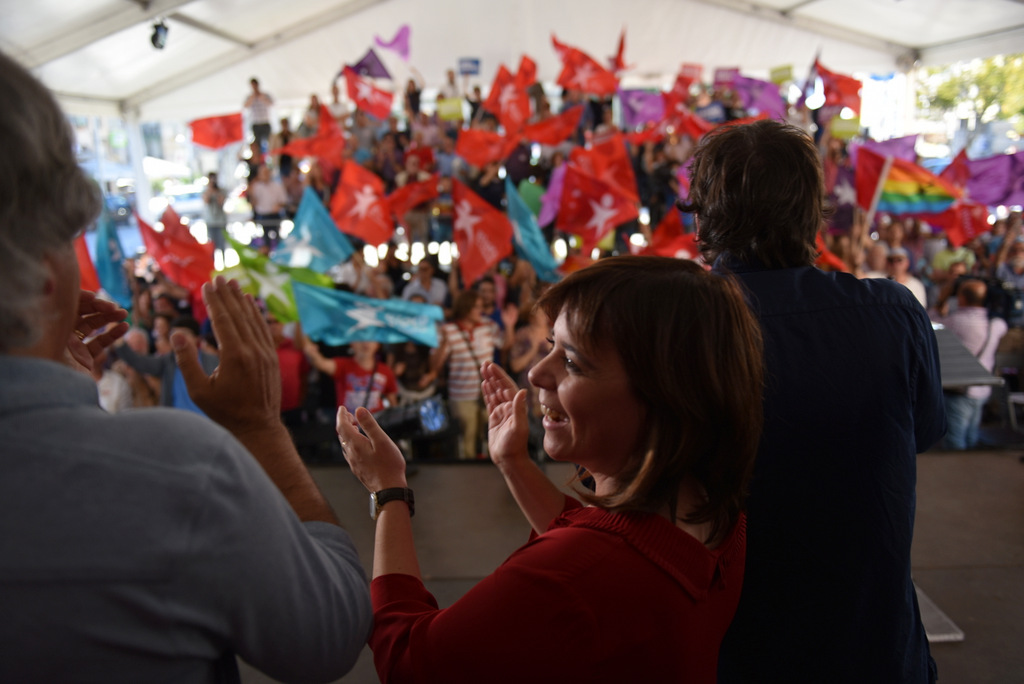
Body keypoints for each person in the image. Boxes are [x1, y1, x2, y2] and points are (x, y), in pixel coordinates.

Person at [0, 51, 371, 681]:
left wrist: (67, 399)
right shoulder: (181, 471)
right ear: (42, 276)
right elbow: (330, 635)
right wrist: (260, 431)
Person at [337, 256, 765, 683]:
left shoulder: (566, 577)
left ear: (662, 397)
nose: (537, 372)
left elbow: (408, 660)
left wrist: (388, 490)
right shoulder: (719, 515)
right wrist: (513, 461)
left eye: (573, 362)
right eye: (550, 346)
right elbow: (613, 545)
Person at [680, 119, 946, 683]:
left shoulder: (672, 327)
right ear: (813, 211)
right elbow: (922, 432)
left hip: (733, 654)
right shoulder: (894, 312)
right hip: (875, 649)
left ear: (702, 216)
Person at [932, 279, 1007, 449]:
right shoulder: (995, 324)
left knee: (955, 441)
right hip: (982, 388)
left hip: (959, 390)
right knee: (972, 436)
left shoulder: (954, 321)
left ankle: (959, 466)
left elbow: (929, 323)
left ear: (961, 297)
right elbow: (1004, 322)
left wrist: (941, 300)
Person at [202, 171, 228, 262]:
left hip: (221, 221)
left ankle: (224, 262)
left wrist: (217, 192)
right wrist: (210, 189)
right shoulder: (206, 191)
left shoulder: (221, 191)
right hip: (210, 222)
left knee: (222, 243)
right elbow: (206, 201)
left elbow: (221, 202)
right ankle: (213, 263)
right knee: (211, 245)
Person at [243, 77, 273, 151]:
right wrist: (253, 97)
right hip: (256, 123)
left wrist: (261, 97)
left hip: (265, 122)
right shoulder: (249, 97)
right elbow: (246, 106)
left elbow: (271, 103)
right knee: (257, 143)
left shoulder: (265, 95)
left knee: (270, 142)